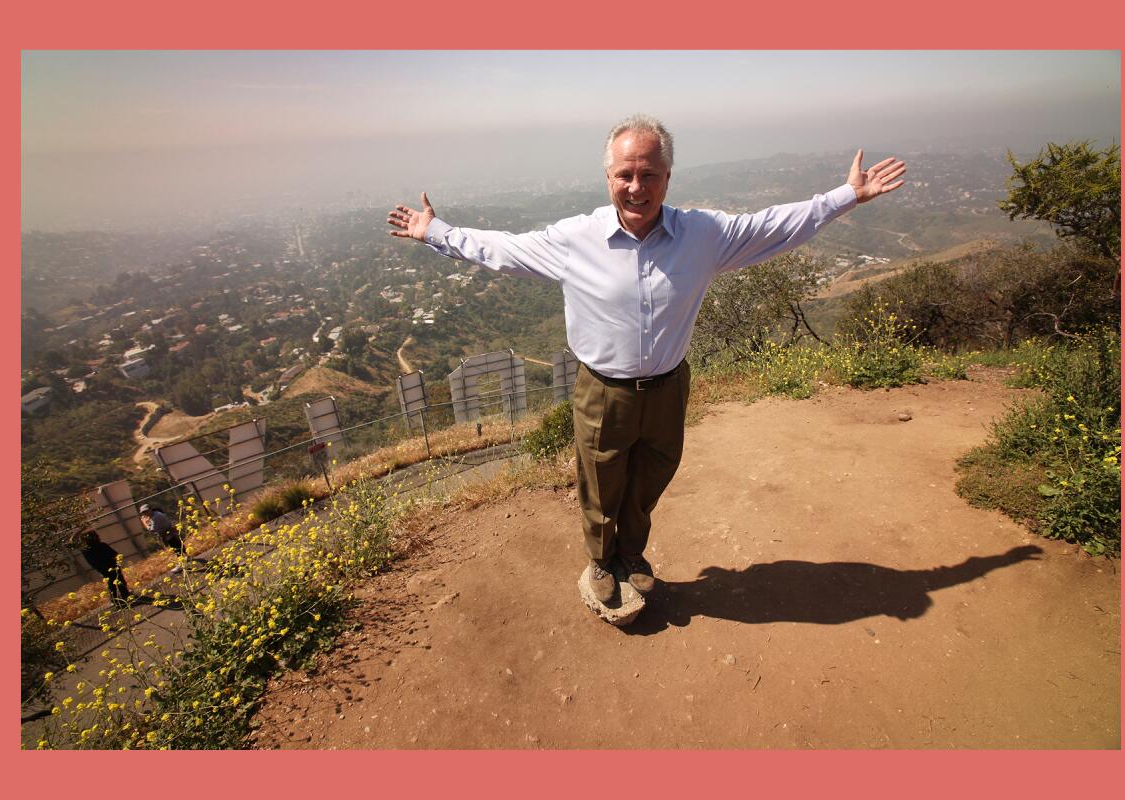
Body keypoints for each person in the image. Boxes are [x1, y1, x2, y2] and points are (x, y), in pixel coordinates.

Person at [388, 114, 906, 603]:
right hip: (602, 391)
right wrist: (434, 231)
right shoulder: (576, 240)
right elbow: (500, 249)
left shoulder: (703, 236)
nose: (637, 187)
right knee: (599, 480)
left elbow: (775, 225)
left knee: (653, 473)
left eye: (649, 174)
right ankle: (600, 561)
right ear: (608, 177)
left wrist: (848, 196)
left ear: (668, 177)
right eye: (625, 174)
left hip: (668, 387)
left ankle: (631, 552)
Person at [77, 529, 131, 607]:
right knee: (119, 580)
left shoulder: (85, 551)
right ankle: (125, 595)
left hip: (102, 569)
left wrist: (81, 531)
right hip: (112, 566)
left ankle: (115, 600)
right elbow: (114, 554)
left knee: (111, 584)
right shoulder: (102, 545)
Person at [139, 503, 187, 575]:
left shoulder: (156, 517)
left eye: (146, 511)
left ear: (150, 509)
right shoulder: (155, 514)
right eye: (143, 513)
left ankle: (181, 564)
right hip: (169, 533)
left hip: (168, 534)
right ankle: (186, 558)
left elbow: (152, 529)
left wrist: (144, 523)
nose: (145, 513)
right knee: (178, 545)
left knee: (176, 548)